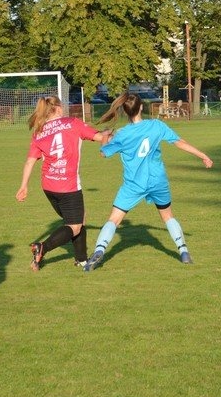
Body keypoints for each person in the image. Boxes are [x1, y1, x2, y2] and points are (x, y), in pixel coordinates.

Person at [82, 92, 213, 272]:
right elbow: (179, 142)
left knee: (114, 219)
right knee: (168, 216)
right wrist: (203, 156)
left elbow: (104, 152)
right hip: (157, 180)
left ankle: (98, 251)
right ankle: (184, 252)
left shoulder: (122, 134)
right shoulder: (156, 125)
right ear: (141, 107)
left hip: (134, 183)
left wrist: (105, 135)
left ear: (126, 112)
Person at [16, 95, 109, 270]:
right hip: (68, 185)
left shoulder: (39, 131)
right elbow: (99, 138)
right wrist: (109, 135)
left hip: (49, 186)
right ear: (58, 108)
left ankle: (81, 259)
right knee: (74, 226)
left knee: (79, 219)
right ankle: (42, 247)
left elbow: (30, 161)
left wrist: (23, 186)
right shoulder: (73, 123)